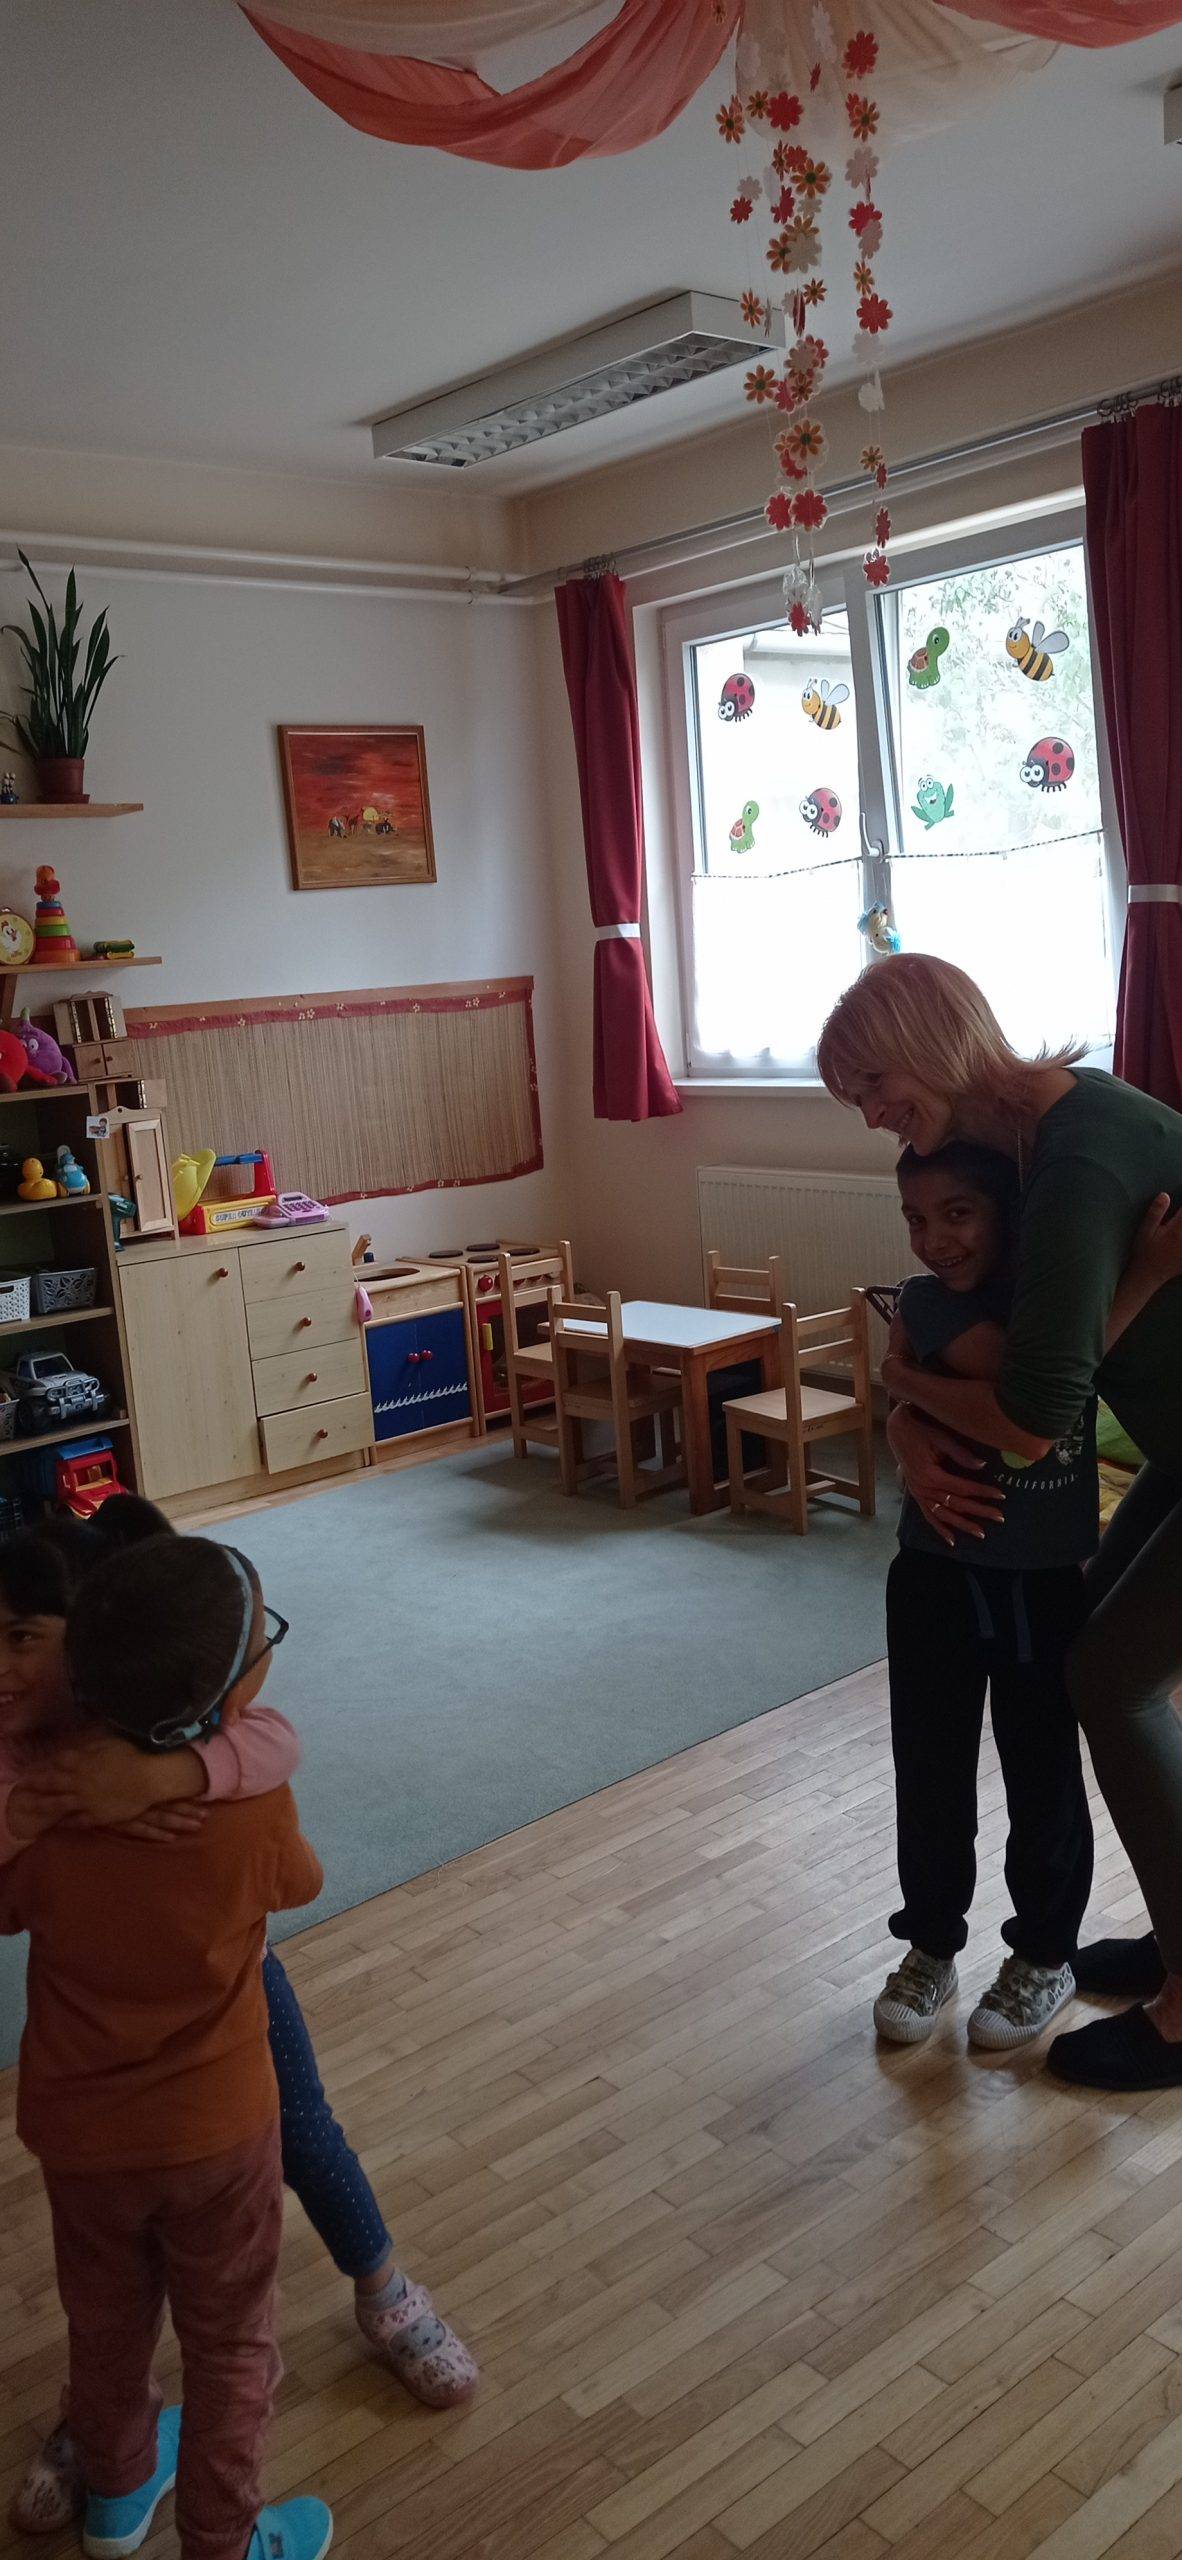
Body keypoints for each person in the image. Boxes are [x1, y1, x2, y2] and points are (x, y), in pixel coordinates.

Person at [0, 1501, 476, 2538]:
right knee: (214, 2338)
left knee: (278, 2161)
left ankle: (378, 2293)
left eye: (24, 1636)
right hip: (204, 2103)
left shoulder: (102, 1767)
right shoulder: (60, 1770)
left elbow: (270, 1742)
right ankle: (176, 2500)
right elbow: (298, 1872)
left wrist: (164, 1777)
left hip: (107, 2111)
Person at [817, 951, 1182, 2091]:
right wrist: (904, 1415)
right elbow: (998, 1350)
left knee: (1110, 1680)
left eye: (874, 1085)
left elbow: (1031, 1415)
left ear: (930, 1045)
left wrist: (902, 1387)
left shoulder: (1073, 1156)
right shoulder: (1033, 1146)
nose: (871, 1117)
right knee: (1088, 1655)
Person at [0, 1522, 331, 2560]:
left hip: (82, 2137)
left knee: (105, 2331)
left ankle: (114, 2501)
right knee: (231, 2347)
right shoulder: (252, 1808)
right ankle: (223, 2543)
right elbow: (302, 1881)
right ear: (222, 1701)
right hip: (216, 2132)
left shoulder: (47, 1807)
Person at [875, 1140, 1176, 2051]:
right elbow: (1031, 1387)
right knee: (931, 1772)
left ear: (1010, 1214)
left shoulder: (1063, 1301)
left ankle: (1044, 1955)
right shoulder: (928, 1303)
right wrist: (1145, 1278)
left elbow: (1060, 1375)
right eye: (916, 1218)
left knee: (1044, 1777)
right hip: (936, 1577)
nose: (934, 1239)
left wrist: (900, 1385)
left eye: (957, 1213)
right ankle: (930, 1946)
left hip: (1041, 1582)